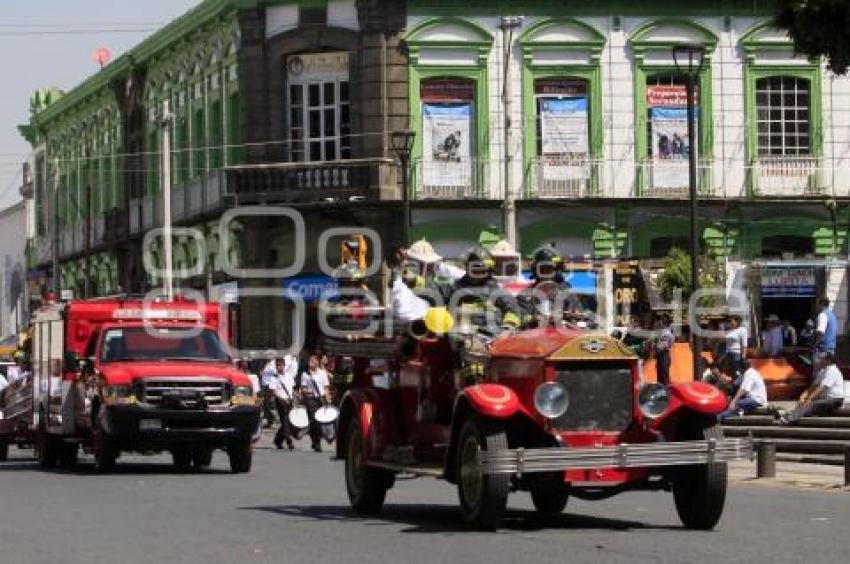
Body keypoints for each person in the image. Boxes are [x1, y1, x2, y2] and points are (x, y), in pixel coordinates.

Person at [450, 245, 522, 335]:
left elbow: (512, 308)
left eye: (482, 270)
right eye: (475, 270)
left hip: (489, 338)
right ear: (467, 268)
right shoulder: (455, 288)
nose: (478, 274)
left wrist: (508, 328)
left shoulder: (495, 290)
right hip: (459, 336)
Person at [783, 352, 846, 422]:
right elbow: (813, 386)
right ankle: (787, 415)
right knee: (803, 403)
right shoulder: (822, 371)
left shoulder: (832, 370)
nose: (818, 361)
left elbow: (821, 388)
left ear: (828, 361)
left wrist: (809, 398)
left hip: (835, 400)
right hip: (824, 399)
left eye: (821, 359)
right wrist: (803, 395)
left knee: (811, 404)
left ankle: (789, 419)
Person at [296, 353, 331, 453]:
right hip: (310, 399)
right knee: (314, 419)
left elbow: (326, 387)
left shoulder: (322, 373)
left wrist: (328, 398)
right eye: (309, 361)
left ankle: (317, 441)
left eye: (312, 360)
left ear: (317, 362)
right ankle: (316, 442)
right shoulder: (305, 374)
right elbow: (303, 388)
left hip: (321, 399)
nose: (310, 362)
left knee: (319, 421)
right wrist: (307, 392)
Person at [270, 358, 296, 450]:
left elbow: (292, 388)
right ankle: (289, 441)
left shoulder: (289, 376)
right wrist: (283, 399)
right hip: (280, 400)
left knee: (287, 421)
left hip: (289, 400)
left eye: (280, 365)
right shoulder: (274, 377)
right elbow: (273, 392)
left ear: (284, 366)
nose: (279, 367)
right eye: (277, 365)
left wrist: (292, 397)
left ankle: (278, 440)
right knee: (284, 420)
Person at [259, 350, 279, 428]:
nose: (266, 356)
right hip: (265, 385)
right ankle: (269, 421)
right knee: (266, 404)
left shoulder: (274, 364)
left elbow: (276, 373)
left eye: (268, 355)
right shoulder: (267, 363)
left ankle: (275, 421)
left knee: (271, 404)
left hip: (270, 386)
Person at [653, 314, 674, 386]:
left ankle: (666, 393)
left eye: (661, 320)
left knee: (663, 377)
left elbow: (663, 345)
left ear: (664, 322)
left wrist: (655, 347)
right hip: (661, 356)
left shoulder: (666, 333)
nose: (659, 322)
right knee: (660, 376)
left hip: (664, 355)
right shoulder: (662, 332)